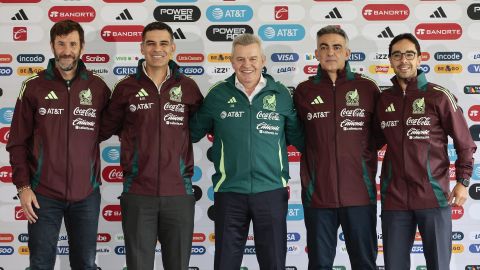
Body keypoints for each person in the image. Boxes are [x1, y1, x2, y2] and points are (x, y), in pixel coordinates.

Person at [189, 33, 303, 270]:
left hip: (271, 191)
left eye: (252, 58)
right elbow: (189, 133)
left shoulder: (281, 94)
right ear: (231, 62)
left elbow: (300, 139)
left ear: (262, 60)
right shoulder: (218, 95)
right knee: (225, 263)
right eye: (240, 59)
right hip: (229, 192)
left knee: (273, 264)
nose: (247, 65)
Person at [6, 20, 111, 269]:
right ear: (52, 45)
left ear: (81, 47)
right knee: (40, 264)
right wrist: (23, 187)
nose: (67, 50)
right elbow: (17, 142)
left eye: (72, 44)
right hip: (42, 194)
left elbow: (111, 127)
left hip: (86, 194)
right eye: (61, 44)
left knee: (85, 264)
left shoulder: (97, 87)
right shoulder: (33, 86)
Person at [99, 21, 203, 270]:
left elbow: (199, 129)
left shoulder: (188, 87)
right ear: (142, 48)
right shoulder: (125, 88)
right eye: (151, 43)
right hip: (138, 194)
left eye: (163, 43)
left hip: (179, 193)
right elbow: (101, 129)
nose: (158, 49)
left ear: (173, 48)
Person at [376, 33, 476, 270]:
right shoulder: (383, 99)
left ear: (419, 59)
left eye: (409, 54)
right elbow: (367, 142)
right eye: (397, 55)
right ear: (390, 60)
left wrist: (462, 181)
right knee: (394, 266)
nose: (403, 60)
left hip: (433, 195)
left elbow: (465, 142)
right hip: (395, 198)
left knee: (439, 265)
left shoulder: (438, 95)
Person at [293, 25, 379, 270]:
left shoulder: (367, 88)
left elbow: (379, 134)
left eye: (336, 47)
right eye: (324, 47)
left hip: (360, 195)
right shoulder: (304, 91)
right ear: (316, 54)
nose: (330, 52)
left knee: (365, 263)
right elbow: (299, 136)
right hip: (318, 197)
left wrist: (356, 155)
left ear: (347, 53)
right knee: (319, 264)